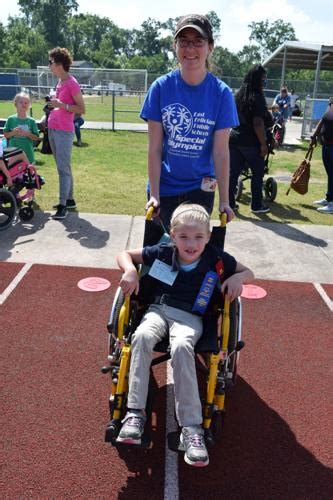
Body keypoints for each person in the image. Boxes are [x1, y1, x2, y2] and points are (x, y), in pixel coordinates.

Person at [116, 203, 254, 467]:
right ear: (172, 234)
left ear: (208, 237)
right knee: (142, 336)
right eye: (184, 237)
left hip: (192, 317)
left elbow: (249, 272)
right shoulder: (163, 252)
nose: (191, 244)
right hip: (157, 309)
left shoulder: (216, 259)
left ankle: (192, 428)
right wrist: (131, 270)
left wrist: (239, 279)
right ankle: (134, 413)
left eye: (198, 237)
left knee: (181, 347)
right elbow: (125, 254)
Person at [140, 14, 239, 229]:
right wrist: (154, 195)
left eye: (198, 42)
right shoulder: (160, 88)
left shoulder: (221, 93)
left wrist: (224, 200)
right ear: (174, 46)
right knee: (160, 257)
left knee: (191, 254)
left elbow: (221, 152)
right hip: (164, 188)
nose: (190, 48)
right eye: (183, 41)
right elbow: (155, 148)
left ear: (210, 47)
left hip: (200, 190)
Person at [228, 64, 274, 214]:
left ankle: (229, 204)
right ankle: (256, 205)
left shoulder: (238, 95)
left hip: (234, 139)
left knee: (233, 174)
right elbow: (258, 123)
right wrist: (263, 144)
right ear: (257, 81)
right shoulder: (257, 97)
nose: (264, 83)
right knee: (258, 174)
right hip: (251, 142)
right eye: (263, 81)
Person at [47, 47, 85, 219]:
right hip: (53, 128)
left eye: (51, 63)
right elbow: (59, 104)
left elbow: (81, 109)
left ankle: (62, 205)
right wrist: (52, 104)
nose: (49, 66)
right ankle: (69, 200)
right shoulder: (60, 82)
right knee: (63, 167)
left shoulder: (71, 82)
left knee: (63, 169)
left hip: (64, 131)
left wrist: (61, 105)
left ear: (60, 64)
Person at [3, 92, 40, 164]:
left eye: (26, 103)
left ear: (29, 105)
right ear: (16, 104)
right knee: (13, 173)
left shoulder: (31, 121)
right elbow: (6, 135)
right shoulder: (11, 119)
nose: (24, 104)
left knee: (28, 173)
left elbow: (36, 138)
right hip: (13, 154)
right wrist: (13, 132)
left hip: (28, 154)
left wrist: (28, 134)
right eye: (21, 102)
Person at [311, 97, 333, 214]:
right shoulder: (331, 102)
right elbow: (323, 119)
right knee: (330, 173)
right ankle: (329, 198)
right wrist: (314, 135)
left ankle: (332, 204)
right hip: (326, 144)